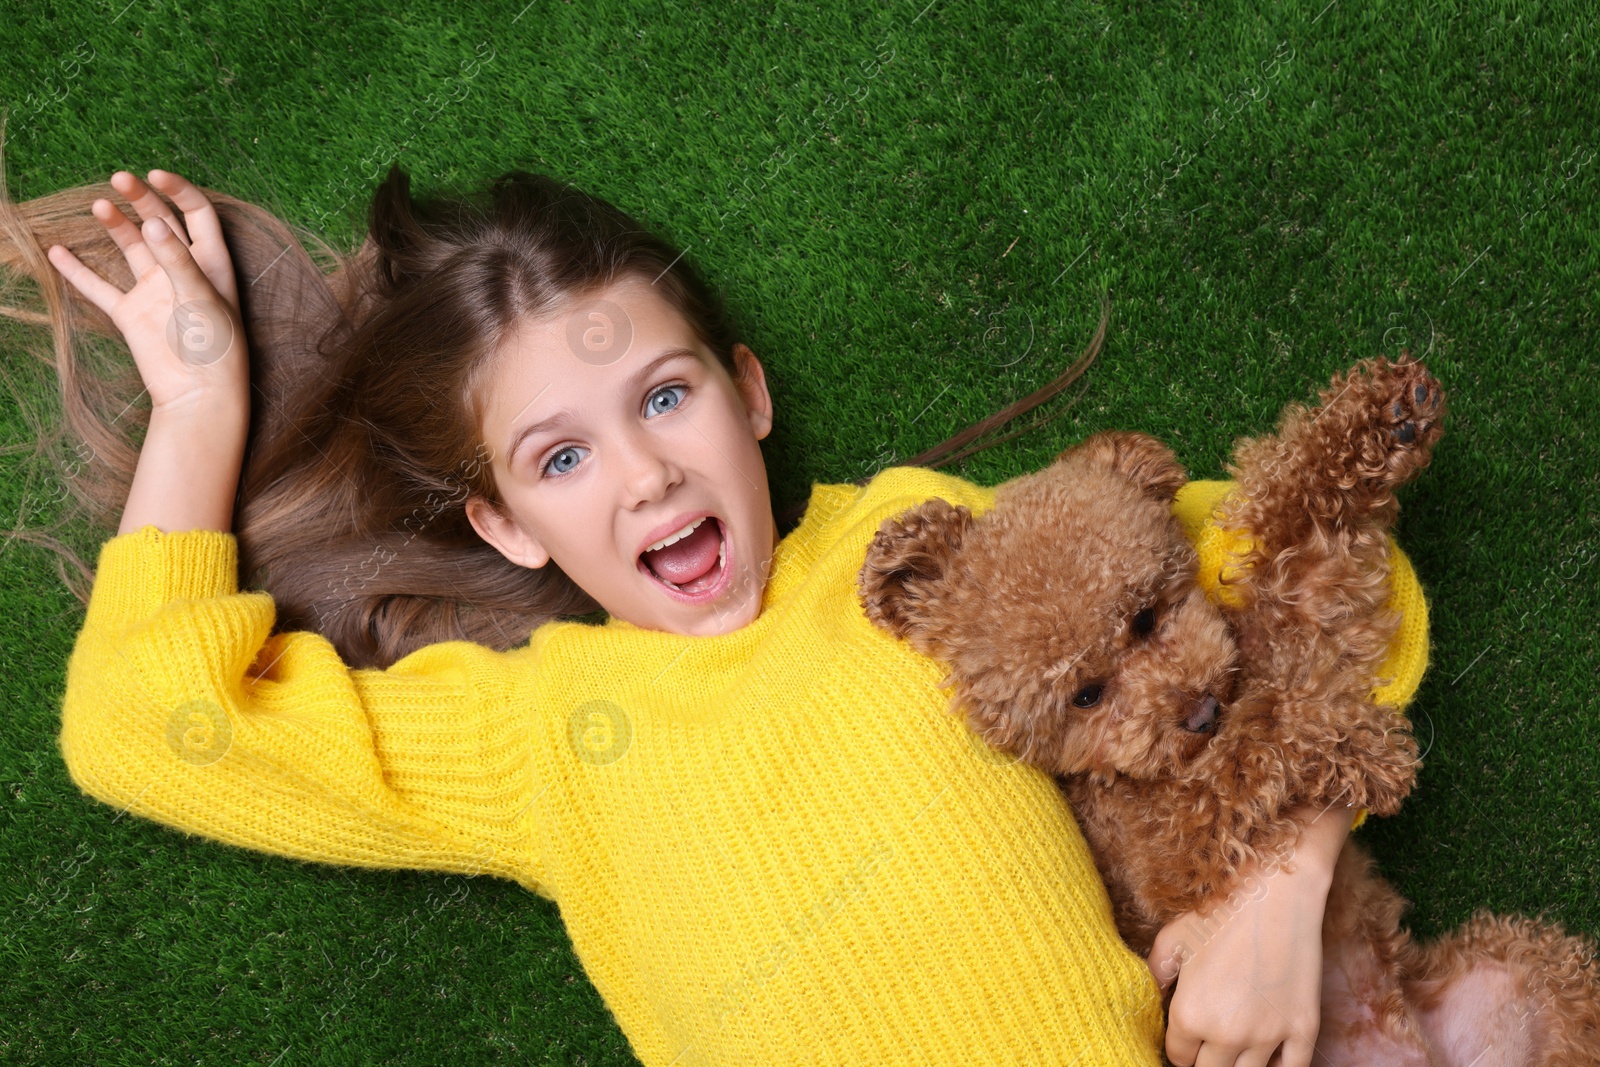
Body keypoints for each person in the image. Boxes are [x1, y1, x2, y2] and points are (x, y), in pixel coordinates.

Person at [3, 149, 1375, 1067]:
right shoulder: (535, 731)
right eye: (561, 456)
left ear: (750, 394)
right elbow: (141, 727)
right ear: (505, 527)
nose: (648, 470)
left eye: (664, 397)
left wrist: (1278, 898)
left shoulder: (922, 550)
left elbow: (1313, 580)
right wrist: (198, 408)